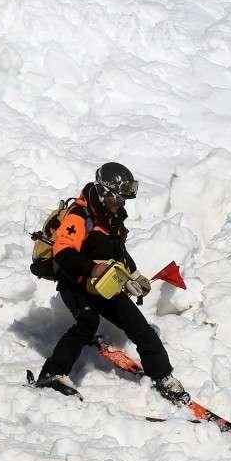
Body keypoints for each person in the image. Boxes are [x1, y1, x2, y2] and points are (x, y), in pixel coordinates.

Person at [36, 162, 189, 404]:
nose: (122, 203)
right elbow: (62, 252)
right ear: (104, 191)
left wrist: (134, 275)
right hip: (74, 283)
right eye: (119, 197)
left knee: (140, 327)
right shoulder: (80, 215)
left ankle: (163, 376)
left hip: (103, 285)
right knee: (87, 323)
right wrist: (92, 268)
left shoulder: (113, 216)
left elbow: (118, 251)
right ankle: (52, 373)